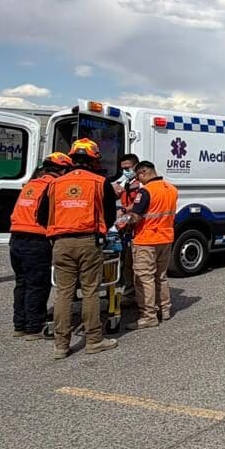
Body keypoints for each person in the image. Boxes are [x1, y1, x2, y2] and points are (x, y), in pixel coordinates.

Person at [38, 138, 118, 359]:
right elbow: (110, 215)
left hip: (61, 243)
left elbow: (42, 216)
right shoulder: (100, 182)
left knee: (63, 293)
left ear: (72, 158)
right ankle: (93, 340)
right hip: (88, 242)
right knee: (90, 291)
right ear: (94, 159)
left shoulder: (54, 183)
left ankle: (61, 345)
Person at [8, 152, 71, 339]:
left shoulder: (31, 184)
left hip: (16, 239)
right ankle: (34, 327)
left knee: (22, 283)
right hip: (35, 239)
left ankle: (19, 324)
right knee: (37, 284)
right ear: (62, 170)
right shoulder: (53, 186)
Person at [124, 161, 178, 328]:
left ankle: (149, 315)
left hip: (147, 240)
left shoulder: (145, 191)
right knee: (160, 276)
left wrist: (126, 227)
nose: (138, 180)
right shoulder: (171, 189)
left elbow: (136, 217)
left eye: (138, 176)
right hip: (166, 238)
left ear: (144, 173)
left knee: (143, 278)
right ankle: (165, 309)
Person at [113, 153, 142, 310]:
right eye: (123, 168)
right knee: (127, 265)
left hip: (137, 227)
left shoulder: (141, 184)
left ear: (136, 167)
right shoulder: (124, 182)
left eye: (128, 168)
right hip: (126, 227)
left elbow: (138, 205)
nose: (125, 170)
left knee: (136, 266)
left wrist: (124, 211)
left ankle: (139, 296)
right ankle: (130, 294)